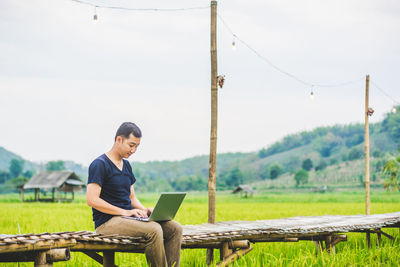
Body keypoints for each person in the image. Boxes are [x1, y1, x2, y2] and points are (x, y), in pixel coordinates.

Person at [86, 122, 183, 267]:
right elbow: (92, 200)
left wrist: (146, 211)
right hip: (107, 223)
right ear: (119, 140)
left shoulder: (127, 165)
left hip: (127, 219)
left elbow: (131, 197)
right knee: (154, 229)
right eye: (131, 145)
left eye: (137, 146)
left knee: (175, 229)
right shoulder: (100, 164)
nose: (134, 150)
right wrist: (125, 211)